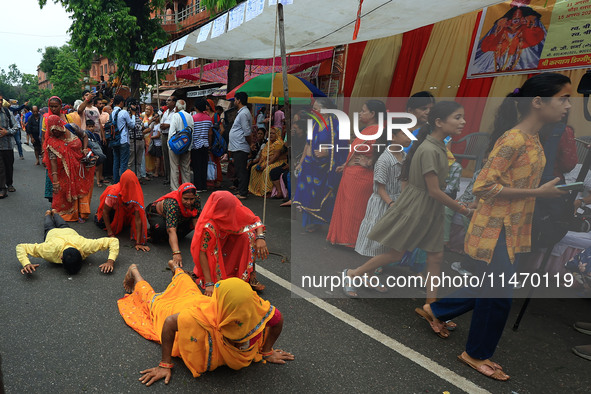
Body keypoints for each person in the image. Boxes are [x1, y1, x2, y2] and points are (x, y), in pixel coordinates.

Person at [418, 73, 572, 381]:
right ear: (538, 102)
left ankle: (436, 310)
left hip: (511, 226)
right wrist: (538, 193)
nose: (568, 106)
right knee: (499, 294)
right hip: (495, 227)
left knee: (489, 286)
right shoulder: (514, 139)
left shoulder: (535, 138)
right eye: (563, 98)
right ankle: (476, 353)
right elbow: (483, 186)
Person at [343, 102, 472, 303]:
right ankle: (353, 273)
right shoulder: (429, 149)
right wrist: (464, 210)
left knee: (435, 257)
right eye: (457, 117)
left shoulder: (436, 146)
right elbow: (434, 190)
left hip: (430, 207)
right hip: (419, 207)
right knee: (395, 253)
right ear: (439, 122)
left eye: (462, 117)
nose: (463, 122)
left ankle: (432, 305)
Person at [118, 262, 293, 386]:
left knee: (189, 288)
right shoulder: (196, 318)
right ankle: (137, 272)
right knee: (153, 301)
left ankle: (176, 269)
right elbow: (169, 323)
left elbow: (278, 320)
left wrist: (266, 350)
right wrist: (165, 364)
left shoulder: (260, 310)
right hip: (185, 307)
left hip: (199, 305)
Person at [327, 100, 390, 247]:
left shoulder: (378, 130)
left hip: (361, 177)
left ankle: (351, 241)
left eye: (363, 110)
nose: (360, 113)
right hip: (351, 175)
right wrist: (346, 164)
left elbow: (382, 152)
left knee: (354, 211)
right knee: (347, 209)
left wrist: (368, 163)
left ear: (373, 114)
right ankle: (342, 238)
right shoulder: (367, 129)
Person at [191, 191, 268, 294]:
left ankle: (247, 276)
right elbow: (202, 253)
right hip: (215, 255)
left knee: (249, 236)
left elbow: (254, 221)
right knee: (222, 288)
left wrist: (260, 237)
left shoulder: (235, 209)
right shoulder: (209, 226)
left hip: (229, 247)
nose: (229, 213)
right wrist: (209, 283)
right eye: (226, 211)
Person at [354, 128, 412, 257]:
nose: (409, 138)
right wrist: (392, 204)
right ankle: (373, 263)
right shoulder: (384, 160)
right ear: (392, 136)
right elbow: (381, 188)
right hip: (383, 202)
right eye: (405, 134)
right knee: (378, 232)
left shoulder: (404, 157)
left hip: (397, 201)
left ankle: (382, 259)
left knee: (390, 233)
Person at [292, 98, 346, 232]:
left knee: (319, 194)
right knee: (307, 193)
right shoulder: (314, 123)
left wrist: (328, 152)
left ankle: (319, 221)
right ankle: (311, 221)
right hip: (310, 165)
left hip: (324, 167)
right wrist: (301, 162)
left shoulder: (336, 124)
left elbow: (343, 146)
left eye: (316, 109)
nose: (313, 111)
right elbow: (307, 144)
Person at [17, 209, 119, 275]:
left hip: (61, 232)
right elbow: (20, 246)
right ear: (82, 253)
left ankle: (53, 213)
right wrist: (110, 261)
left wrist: (26, 263)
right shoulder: (49, 250)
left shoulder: (85, 245)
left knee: (53, 221)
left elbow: (21, 247)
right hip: (57, 232)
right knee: (50, 221)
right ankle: (50, 214)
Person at [43, 115, 94, 222]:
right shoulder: (51, 141)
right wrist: (55, 182)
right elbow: (53, 163)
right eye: (52, 131)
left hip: (81, 166)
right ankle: (71, 214)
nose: (55, 133)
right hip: (64, 172)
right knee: (65, 191)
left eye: (56, 129)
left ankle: (82, 213)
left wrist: (84, 149)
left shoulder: (72, 127)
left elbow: (85, 136)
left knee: (82, 189)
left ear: (60, 125)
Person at [146, 183, 201, 266]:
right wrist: (176, 253)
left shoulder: (197, 199)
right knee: (161, 229)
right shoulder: (173, 204)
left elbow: (196, 220)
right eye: (185, 199)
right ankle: (152, 234)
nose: (189, 202)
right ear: (180, 196)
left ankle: (172, 238)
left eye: (191, 199)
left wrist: (201, 243)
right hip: (159, 215)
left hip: (179, 217)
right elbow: (171, 230)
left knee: (195, 224)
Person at [95, 169, 150, 251]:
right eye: (127, 184)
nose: (129, 187)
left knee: (129, 221)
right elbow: (105, 212)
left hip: (123, 213)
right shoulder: (113, 193)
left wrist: (138, 243)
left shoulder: (136, 192)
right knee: (102, 223)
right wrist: (110, 234)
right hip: (110, 214)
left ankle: (122, 222)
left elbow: (138, 218)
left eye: (131, 184)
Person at [248, 127, 287, 197]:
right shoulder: (268, 143)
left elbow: (275, 157)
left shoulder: (279, 143)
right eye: (269, 133)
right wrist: (259, 164)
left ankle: (267, 191)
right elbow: (263, 155)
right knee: (254, 168)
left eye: (273, 133)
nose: (271, 135)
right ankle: (255, 189)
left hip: (278, 161)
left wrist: (265, 165)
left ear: (277, 134)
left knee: (267, 170)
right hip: (268, 160)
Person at [228, 92, 253, 200]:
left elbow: (247, 131)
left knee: (241, 169)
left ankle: (243, 192)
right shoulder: (242, 112)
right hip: (238, 145)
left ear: (238, 100)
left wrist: (250, 143)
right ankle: (241, 189)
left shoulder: (243, 113)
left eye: (235, 99)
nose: (234, 102)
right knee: (238, 168)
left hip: (241, 145)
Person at [168, 100, 193, 191]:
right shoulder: (190, 116)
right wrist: (189, 146)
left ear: (177, 107)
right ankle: (187, 187)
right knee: (186, 168)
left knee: (174, 167)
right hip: (187, 146)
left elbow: (172, 132)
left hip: (175, 146)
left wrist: (170, 145)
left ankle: (175, 188)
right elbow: (191, 132)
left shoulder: (175, 116)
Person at [111, 95, 134, 184]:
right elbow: (131, 125)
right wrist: (133, 115)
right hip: (123, 140)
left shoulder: (111, 113)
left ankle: (116, 182)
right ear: (121, 102)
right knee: (124, 163)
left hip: (114, 140)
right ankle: (123, 183)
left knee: (116, 162)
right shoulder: (124, 112)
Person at [191, 98, 212, 192]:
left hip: (195, 144)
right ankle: (204, 186)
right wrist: (209, 144)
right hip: (205, 144)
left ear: (196, 107)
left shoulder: (193, 118)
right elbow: (210, 133)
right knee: (204, 165)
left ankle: (198, 186)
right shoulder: (208, 118)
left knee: (197, 166)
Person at [0, 92, 17, 198]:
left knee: (8, 166)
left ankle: (9, 183)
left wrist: (7, 132)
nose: (0, 102)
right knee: (0, 167)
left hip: (7, 145)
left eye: (1, 100)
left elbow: (16, 127)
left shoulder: (7, 112)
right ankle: (2, 188)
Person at [160, 96, 177, 185]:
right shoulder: (166, 112)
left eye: (169, 100)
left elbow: (175, 123)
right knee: (165, 157)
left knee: (172, 157)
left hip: (172, 136)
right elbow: (161, 122)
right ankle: (167, 177)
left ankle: (172, 178)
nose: (167, 102)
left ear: (174, 102)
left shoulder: (176, 112)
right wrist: (162, 125)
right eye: (167, 100)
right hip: (164, 135)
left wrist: (168, 125)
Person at [147, 113, 163, 177]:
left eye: (157, 117)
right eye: (154, 116)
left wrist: (151, 137)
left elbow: (158, 135)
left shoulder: (159, 125)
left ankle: (156, 172)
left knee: (158, 158)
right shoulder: (154, 124)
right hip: (155, 143)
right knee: (158, 158)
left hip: (158, 143)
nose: (155, 118)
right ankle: (161, 171)